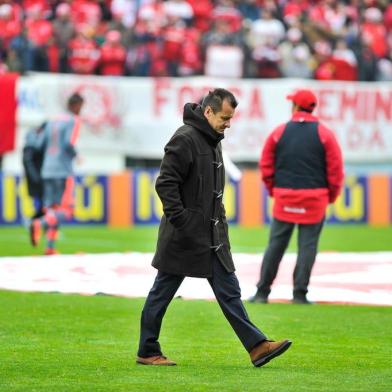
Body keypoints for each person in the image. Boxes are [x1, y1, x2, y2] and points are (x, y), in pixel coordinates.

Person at [136, 88, 291, 367]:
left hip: (211, 237)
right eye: (224, 117)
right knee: (161, 293)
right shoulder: (184, 138)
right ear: (208, 111)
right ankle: (147, 351)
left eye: (230, 118)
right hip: (184, 236)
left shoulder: (212, 139)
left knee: (229, 291)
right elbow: (165, 184)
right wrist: (182, 220)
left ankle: (257, 346)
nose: (228, 123)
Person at [250, 89, 344, 305]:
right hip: (315, 199)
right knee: (307, 247)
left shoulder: (279, 132)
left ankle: (262, 292)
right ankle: (299, 294)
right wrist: (330, 196)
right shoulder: (325, 134)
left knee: (275, 245)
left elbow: (266, 165)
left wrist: (274, 190)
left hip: (285, 197)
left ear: (295, 106)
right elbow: (336, 171)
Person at [29, 92, 84, 255]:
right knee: (66, 210)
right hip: (62, 170)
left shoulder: (53, 120)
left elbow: (39, 144)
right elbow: (69, 143)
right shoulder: (74, 120)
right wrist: (76, 155)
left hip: (47, 169)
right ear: (76, 106)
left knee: (52, 209)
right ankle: (40, 224)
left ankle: (50, 247)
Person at [22, 121, 46, 219]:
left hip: (39, 176)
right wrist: (35, 176)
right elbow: (27, 161)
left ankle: (39, 222)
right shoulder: (32, 144)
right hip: (37, 177)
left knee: (43, 204)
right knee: (41, 203)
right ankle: (35, 223)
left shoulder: (36, 143)